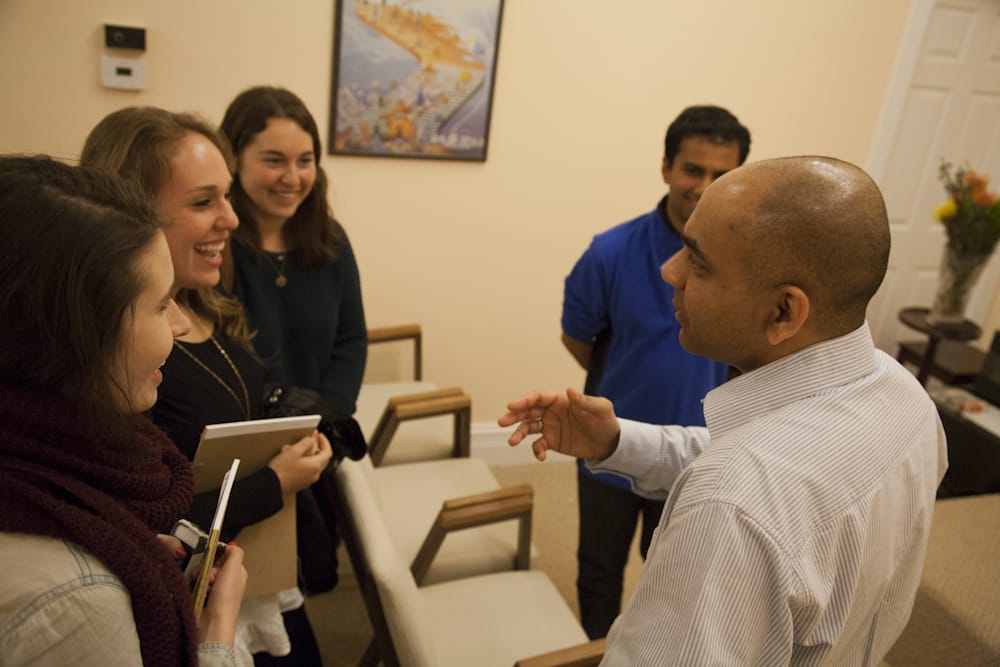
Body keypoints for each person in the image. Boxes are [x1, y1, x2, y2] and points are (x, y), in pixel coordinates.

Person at [501, 156, 947, 665]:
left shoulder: (729, 506)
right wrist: (617, 441)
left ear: (783, 311)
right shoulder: (905, 397)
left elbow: (745, 480)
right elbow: (758, 453)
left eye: (697, 260)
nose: (670, 271)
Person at [80, 107, 333, 667]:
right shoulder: (122, 360)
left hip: (252, 570)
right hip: (198, 602)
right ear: (129, 214)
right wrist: (273, 482)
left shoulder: (205, 297)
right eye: (203, 202)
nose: (232, 219)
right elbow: (137, 520)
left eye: (226, 196)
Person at [0, 155, 247, 667]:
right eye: (159, 304)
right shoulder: (77, 600)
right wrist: (216, 631)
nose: (180, 324)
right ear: (73, 336)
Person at [560, 105, 751, 638]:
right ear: (666, 167)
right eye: (693, 170)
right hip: (608, 446)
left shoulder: (750, 266)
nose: (704, 186)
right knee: (598, 569)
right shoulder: (610, 252)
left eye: (722, 175)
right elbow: (577, 336)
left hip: (699, 455)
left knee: (671, 579)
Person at [220, 86, 367, 420]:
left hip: (319, 433)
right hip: (245, 441)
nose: (292, 178)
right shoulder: (216, 248)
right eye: (274, 161)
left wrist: (323, 422)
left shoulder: (332, 240)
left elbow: (351, 342)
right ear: (233, 159)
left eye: (305, 161)